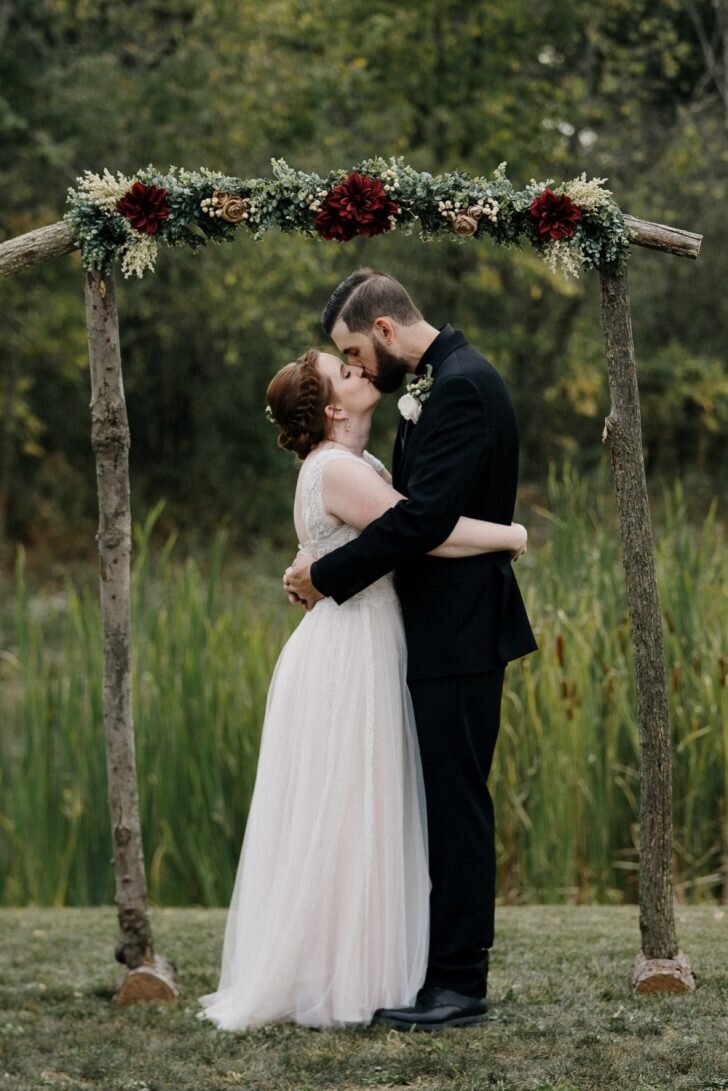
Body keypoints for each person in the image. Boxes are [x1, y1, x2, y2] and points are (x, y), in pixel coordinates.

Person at [197, 347, 528, 1031]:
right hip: (350, 652)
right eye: (345, 371)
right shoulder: (340, 468)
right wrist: (512, 534)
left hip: (367, 637)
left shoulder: (354, 464)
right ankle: (340, 976)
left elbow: (386, 531)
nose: (360, 370)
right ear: (332, 409)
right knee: (349, 806)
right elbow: (426, 532)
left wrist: (308, 565)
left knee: (359, 806)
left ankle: (364, 966)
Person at [284, 270, 537, 1032]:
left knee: (457, 806)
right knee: (440, 804)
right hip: (437, 628)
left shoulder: (459, 386)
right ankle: (433, 971)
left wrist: (324, 575)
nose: (358, 367)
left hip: (459, 630)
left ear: (386, 330)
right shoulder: (437, 382)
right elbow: (414, 514)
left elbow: (422, 519)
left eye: (356, 350)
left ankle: (459, 983)